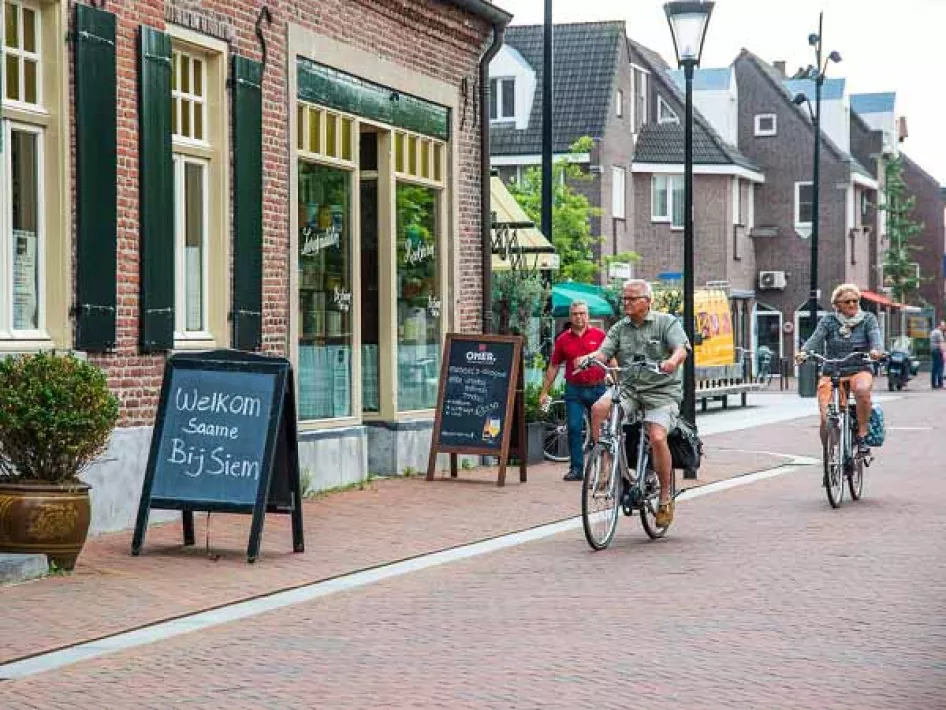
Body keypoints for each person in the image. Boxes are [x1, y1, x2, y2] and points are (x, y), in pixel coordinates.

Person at [578, 280, 689, 527]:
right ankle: (605, 461)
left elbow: (681, 349)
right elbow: (603, 353)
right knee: (598, 409)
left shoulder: (665, 322)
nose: (625, 302)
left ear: (647, 301)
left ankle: (664, 497)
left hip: (661, 391)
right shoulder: (619, 328)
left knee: (658, 437)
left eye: (631, 298)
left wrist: (672, 361)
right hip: (629, 389)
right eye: (624, 298)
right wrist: (589, 359)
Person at [796, 283, 883, 455]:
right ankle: (829, 454)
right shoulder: (828, 320)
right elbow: (816, 338)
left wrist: (875, 350)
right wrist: (804, 352)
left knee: (862, 390)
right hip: (832, 371)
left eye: (855, 301)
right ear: (837, 305)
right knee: (825, 415)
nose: (852, 304)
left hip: (860, 368)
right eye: (847, 301)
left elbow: (875, 337)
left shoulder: (868, 319)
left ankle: (862, 435)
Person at [539, 301, 607, 481]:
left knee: (600, 431)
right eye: (575, 313)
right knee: (574, 428)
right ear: (571, 316)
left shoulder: (600, 335)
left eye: (582, 313)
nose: (579, 317)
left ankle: (603, 469)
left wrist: (617, 382)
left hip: (598, 388)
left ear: (588, 315)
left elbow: (611, 360)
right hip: (574, 390)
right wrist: (544, 391)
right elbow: (554, 366)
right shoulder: (563, 339)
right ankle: (577, 469)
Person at [930, 321, 944, 389]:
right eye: (943, 326)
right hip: (938, 351)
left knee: (934, 368)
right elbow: (941, 343)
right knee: (940, 367)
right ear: (940, 326)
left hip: (933, 351)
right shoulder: (939, 332)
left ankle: (933, 384)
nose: (944, 327)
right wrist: (943, 353)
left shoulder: (933, 331)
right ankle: (940, 384)